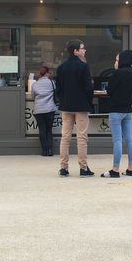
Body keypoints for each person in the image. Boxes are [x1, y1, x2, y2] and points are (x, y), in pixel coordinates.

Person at [55, 39, 95, 177]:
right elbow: (88, 88)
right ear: (75, 51)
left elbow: (58, 89)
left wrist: (63, 99)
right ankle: (83, 168)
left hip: (66, 106)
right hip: (81, 106)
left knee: (65, 137)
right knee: (81, 137)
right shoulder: (84, 67)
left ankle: (63, 168)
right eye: (82, 48)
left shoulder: (61, 68)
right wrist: (89, 102)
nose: (84, 50)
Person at [101, 50, 132, 178]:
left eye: (117, 60)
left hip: (116, 110)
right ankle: (130, 168)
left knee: (117, 140)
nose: (115, 62)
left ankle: (115, 169)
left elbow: (109, 91)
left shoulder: (117, 74)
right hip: (128, 110)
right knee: (129, 139)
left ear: (122, 60)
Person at [31, 66, 58, 156]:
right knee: (49, 130)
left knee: (42, 130)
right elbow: (56, 93)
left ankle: (44, 151)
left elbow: (32, 97)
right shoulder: (52, 82)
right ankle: (50, 150)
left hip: (38, 109)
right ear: (47, 73)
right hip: (50, 109)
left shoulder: (34, 84)